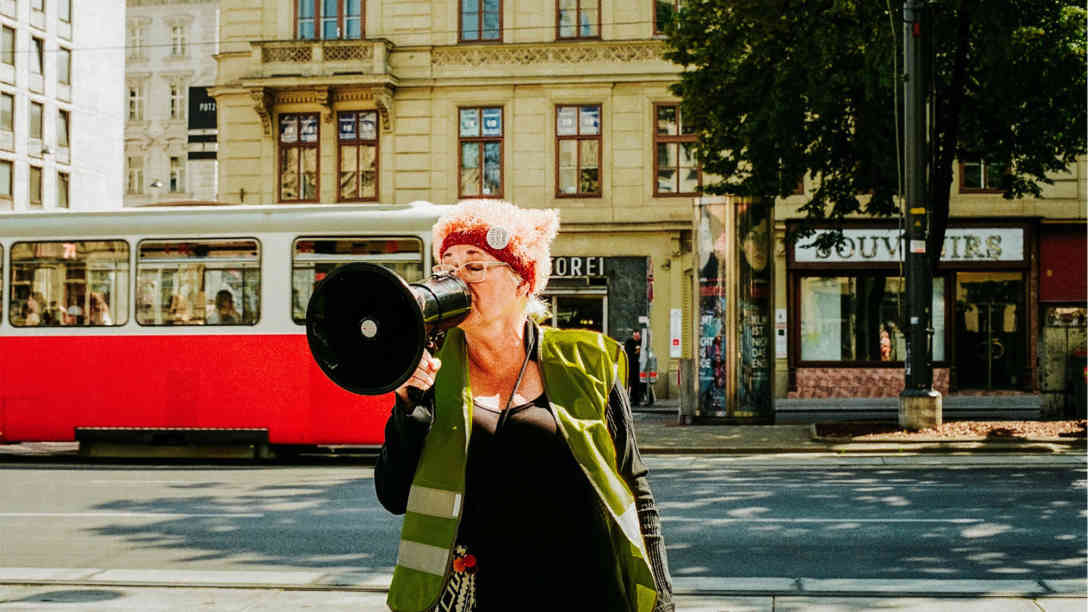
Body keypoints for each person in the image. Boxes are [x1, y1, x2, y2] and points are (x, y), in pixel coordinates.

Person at [375, 199, 674, 612]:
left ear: (522, 281)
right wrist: (408, 403)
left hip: (588, 592)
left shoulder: (586, 362)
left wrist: (662, 600)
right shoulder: (430, 370)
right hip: (481, 597)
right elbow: (393, 495)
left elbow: (637, 492)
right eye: (446, 267)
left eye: (474, 266)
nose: (456, 279)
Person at [625, 329, 644, 407]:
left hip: (640, 365)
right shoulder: (629, 342)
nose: (636, 337)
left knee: (639, 383)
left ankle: (638, 398)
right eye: (635, 336)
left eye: (637, 336)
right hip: (632, 365)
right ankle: (633, 398)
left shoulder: (642, 342)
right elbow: (629, 352)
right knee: (632, 382)